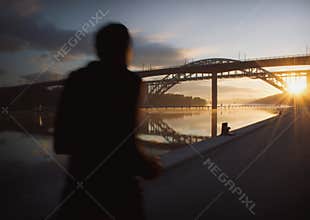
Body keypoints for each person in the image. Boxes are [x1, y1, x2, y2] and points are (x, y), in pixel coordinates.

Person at [53, 23, 162, 220]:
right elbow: (124, 146)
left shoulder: (75, 79)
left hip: (78, 194)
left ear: (98, 49)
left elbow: (60, 143)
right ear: (126, 49)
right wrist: (150, 167)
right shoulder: (129, 82)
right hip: (119, 197)